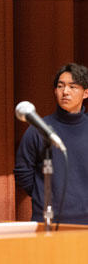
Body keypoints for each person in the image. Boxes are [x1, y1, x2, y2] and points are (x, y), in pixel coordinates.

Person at [15, 63, 88, 225]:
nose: (65, 92)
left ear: (85, 93)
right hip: (47, 221)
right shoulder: (39, 129)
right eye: (60, 86)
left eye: (72, 87)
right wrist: (43, 194)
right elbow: (22, 172)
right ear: (55, 91)